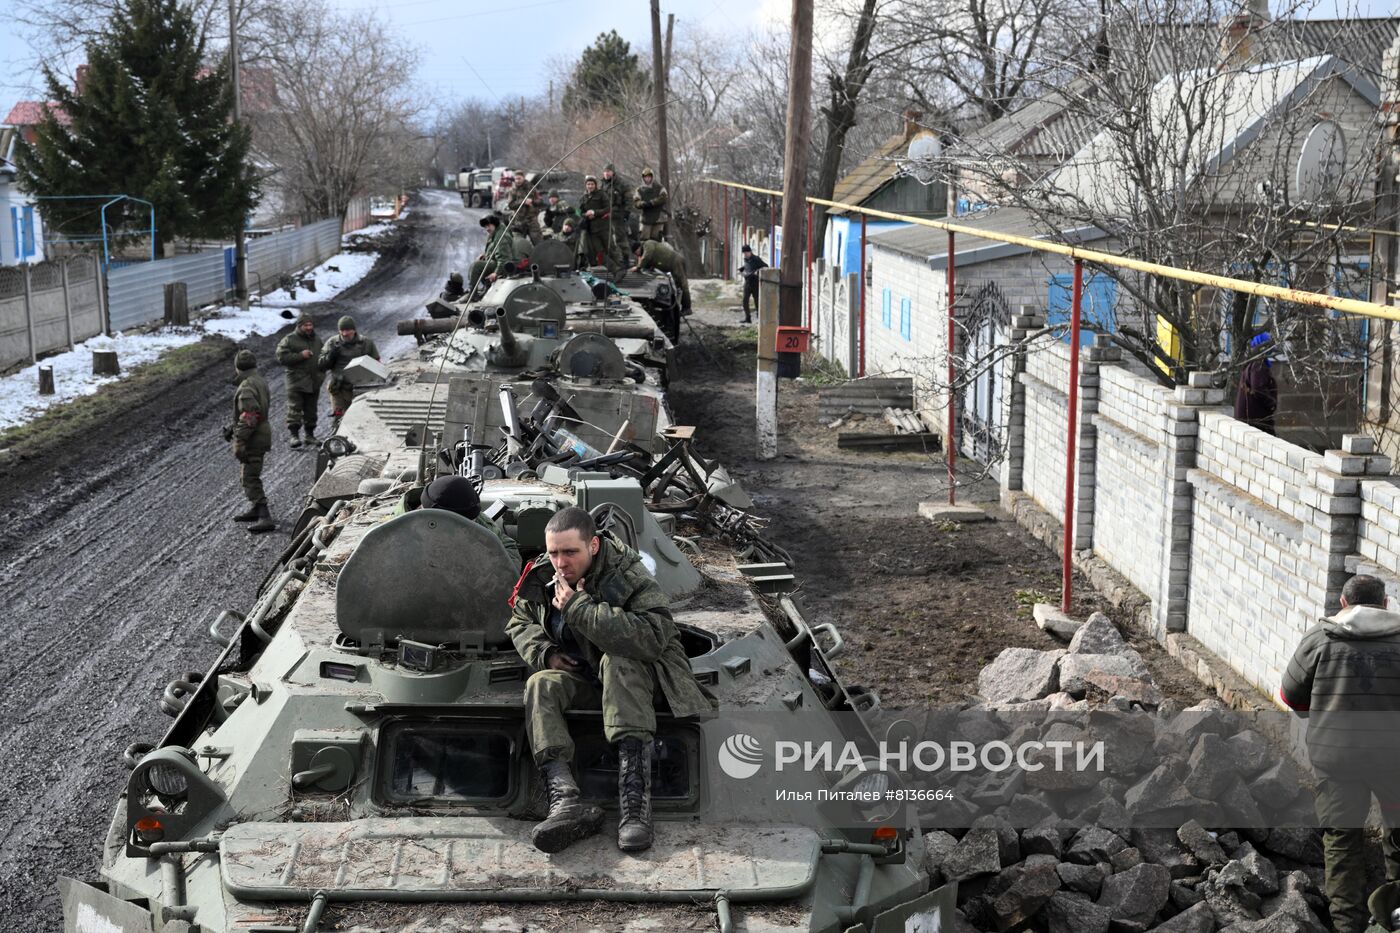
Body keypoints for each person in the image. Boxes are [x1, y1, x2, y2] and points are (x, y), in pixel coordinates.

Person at [507, 507, 714, 854]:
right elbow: (518, 621)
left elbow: (652, 638)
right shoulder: (546, 575)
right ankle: (564, 798)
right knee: (541, 684)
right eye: (554, 552)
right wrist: (546, 653)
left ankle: (634, 805)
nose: (560, 562)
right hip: (590, 681)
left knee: (619, 664)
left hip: (647, 684)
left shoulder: (629, 577)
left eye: (570, 552)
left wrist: (579, 609)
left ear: (593, 546)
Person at [1281, 573, 1400, 933]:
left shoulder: (1320, 637)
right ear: (1386, 605)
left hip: (1337, 758)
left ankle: (1348, 924)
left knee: (1342, 837)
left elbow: (1290, 696)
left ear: (1343, 604)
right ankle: (1395, 918)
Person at [397, 475, 520, 569]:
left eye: (472, 521)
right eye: (464, 524)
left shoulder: (477, 520)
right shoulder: (392, 538)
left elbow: (507, 548)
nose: (472, 525)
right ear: (434, 521)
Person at [225, 349, 275, 533]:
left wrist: (239, 439)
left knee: (249, 477)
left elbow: (251, 415)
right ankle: (256, 509)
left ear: (238, 367)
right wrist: (233, 427)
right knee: (251, 473)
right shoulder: (258, 380)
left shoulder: (246, 386)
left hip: (254, 438)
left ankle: (264, 515)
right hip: (261, 433)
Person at [274, 313, 324, 449]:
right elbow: (281, 357)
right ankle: (294, 436)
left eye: (310, 324)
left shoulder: (316, 340)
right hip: (296, 381)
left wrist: (322, 372)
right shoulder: (289, 340)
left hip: (313, 381)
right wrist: (300, 355)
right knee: (295, 408)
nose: (308, 327)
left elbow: (323, 355)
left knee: (311, 410)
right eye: (305, 325)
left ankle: (309, 435)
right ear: (299, 326)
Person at [317, 315, 380, 418]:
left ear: (354, 330)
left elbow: (377, 365)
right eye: (342, 330)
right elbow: (320, 365)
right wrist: (330, 356)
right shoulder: (332, 343)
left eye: (348, 330)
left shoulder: (366, 343)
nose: (345, 334)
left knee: (363, 419)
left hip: (362, 388)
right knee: (340, 421)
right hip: (339, 389)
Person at [631, 239, 690, 315]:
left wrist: (638, 267)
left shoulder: (648, 244)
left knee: (682, 284)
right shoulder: (646, 250)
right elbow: (648, 263)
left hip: (676, 261)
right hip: (672, 265)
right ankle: (680, 308)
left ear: (638, 248)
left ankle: (687, 308)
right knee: (678, 286)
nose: (638, 255)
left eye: (637, 253)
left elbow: (647, 257)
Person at [1235, 331, 1278, 435]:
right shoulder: (1258, 365)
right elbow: (1259, 388)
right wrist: (1271, 403)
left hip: (1250, 418)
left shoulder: (1253, 362)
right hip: (1255, 419)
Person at [578, 176, 623, 276]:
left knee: (610, 249)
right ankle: (614, 270)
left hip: (604, 227)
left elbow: (607, 208)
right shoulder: (583, 198)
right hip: (592, 230)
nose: (590, 186)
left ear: (595, 185)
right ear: (585, 186)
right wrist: (586, 215)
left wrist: (595, 212)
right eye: (588, 184)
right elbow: (579, 212)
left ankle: (620, 268)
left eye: (592, 184)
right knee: (600, 252)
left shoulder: (601, 194)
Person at [469, 213, 519, 294]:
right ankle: (485, 287)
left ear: (494, 223)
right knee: (477, 264)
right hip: (497, 263)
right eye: (485, 226)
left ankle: (472, 294)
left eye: (488, 225)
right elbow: (494, 250)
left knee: (477, 266)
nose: (487, 229)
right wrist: (485, 255)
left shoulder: (501, 236)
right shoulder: (495, 233)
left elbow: (504, 259)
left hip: (505, 268)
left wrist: (496, 273)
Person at [600, 163, 631, 272]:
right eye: (605, 171)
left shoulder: (621, 184)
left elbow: (628, 199)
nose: (606, 173)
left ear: (613, 172)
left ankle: (626, 259)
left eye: (608, 171)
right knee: (607, 239)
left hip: (618, 215)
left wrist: (627, 212)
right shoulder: (602, 184)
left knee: (620, 238)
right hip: (605, 215)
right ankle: (615, 261)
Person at [633, 168, 670, 241]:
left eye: (649, 177)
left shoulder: (659, 187)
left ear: (652, 177)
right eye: (645, 177)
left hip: (658, 217)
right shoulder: (639, 190)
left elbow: (664, 197)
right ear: (643, 178)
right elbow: (636, 202)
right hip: (646, 218)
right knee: (644, 240)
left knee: (656, 240)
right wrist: (642, 204)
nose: (647, 179)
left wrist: (652, 202)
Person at [739, 244, 767, 324]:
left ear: (750, 251)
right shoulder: (746, 260)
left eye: (746, 252)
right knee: (744, 301)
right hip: (747, 283)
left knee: (757, 301)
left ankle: (759, 319)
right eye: (744, 253)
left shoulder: (756, 259)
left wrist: (757, 272)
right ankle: (748, 318)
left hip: (755, 283)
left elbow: (765, 266)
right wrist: (742, 269)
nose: (745, 254)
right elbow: (747, 267)